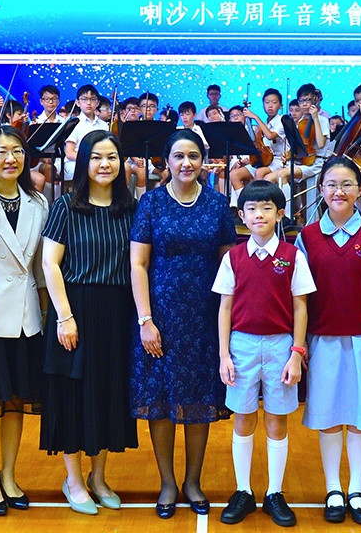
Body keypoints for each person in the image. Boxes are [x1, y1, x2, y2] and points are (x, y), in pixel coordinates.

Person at [130, 129, 236, 519]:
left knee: (198, 400)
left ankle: (193, 481)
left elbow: (229, 265)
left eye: (193, 156)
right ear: (167, 161)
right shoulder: (152, 202)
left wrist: (228, 321)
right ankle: (167, 483)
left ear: (203, 161)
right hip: (159, 317)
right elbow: (138, 264)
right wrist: (146, 320)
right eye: (179, 156)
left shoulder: (217, 204)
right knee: (161, 401)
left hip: (204, 317)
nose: (186, 163)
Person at [296, 157, 361, 525]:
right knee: (328, 417)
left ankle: (356, 490)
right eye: (331, 184)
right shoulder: (307, 237)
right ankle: (333, 489)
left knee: (360, 418)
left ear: (359, 190)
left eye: (346, 184)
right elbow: (300, 296)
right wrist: (300, 343)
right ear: (321, 189)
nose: (338, 191)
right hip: (322, 341)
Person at [40, 130, 138, 515]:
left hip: (116, 310)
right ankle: (74, 480)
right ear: (83, 162)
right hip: (74, 308)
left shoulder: (130, 208)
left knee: (107, 392)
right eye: (96, 157)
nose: (104, 164)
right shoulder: (66, 206)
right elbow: (50, 264)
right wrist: (65, 317)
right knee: (72, 393)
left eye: (111, 157)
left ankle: (99, 477)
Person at [213, 180, 315, 527]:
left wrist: (296, 353)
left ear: (280, 213)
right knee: (243, 418)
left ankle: (274, 492)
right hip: (241, 344)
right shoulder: (233, 257)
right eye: (252, 209)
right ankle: (243, 490)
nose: (259, 214)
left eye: (267, 208)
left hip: (280, 345)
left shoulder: (292, 256)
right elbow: (225, 308)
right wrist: (224, 355)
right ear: (241, 216)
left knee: (276, 419)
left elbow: (300, 307)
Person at [0, 125, 48, 516]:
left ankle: (8, 474)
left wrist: (49, 315)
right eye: (1, 151)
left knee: (16, 401)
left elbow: (40, 268)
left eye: (17, 151)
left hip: (26, 317)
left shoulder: (39, 202)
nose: (10, 158)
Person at [63, 84, 108, 181]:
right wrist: (89, 159)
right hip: (75, 162)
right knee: (89, 171)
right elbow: (69, 153)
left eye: (92, 99)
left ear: (97, 103)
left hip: (98, 162)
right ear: (78, 103)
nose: (89, 103)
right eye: (84, 99)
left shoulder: (104, 125)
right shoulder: (73, 124)